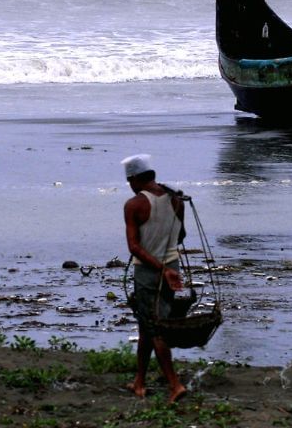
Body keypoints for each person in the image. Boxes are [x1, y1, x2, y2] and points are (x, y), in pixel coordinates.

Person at [121, 154, 188, 404]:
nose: (130, 185)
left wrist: (160, 268)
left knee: (156, 328)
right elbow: (180, 235)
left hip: (151, 272)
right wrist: (168, 266)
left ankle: (175, 385)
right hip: (173, 268)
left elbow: (134, 247)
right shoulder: (176, 199)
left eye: (130, 180)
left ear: (136, 179)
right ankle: (139, 381)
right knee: (147, 326)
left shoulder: (134, 204)